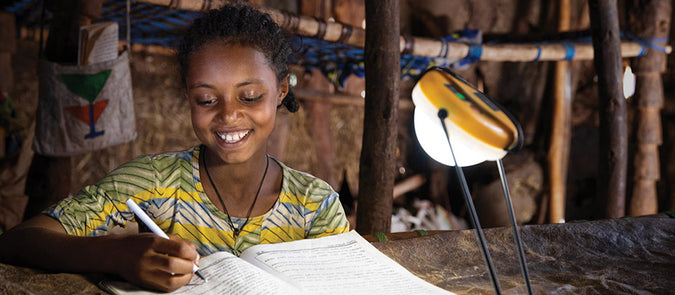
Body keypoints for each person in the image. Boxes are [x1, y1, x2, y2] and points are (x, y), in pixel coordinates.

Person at [0, 3, 350, 292]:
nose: (228, 114)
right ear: (188, 98)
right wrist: (116, 255)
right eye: (206, 99)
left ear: (282, 92)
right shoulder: (153, 181)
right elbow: (18, 241)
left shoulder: (314, 205)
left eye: (250, 96)